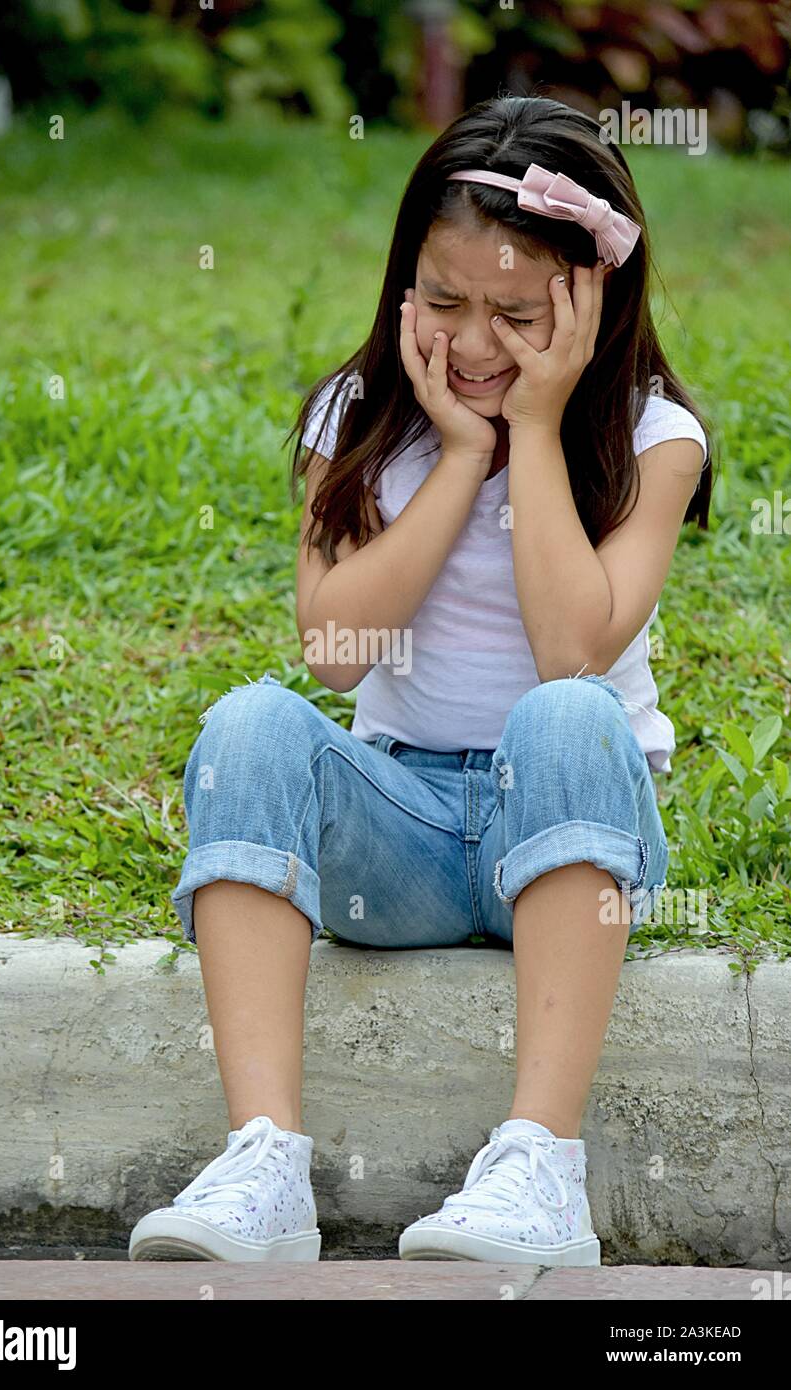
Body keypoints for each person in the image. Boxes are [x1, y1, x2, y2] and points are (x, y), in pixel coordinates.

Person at [129, 93, 712, 1266]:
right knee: (249, 723)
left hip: (560, 839)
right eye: (443, 303)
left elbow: (570, 653)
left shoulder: (652, 437)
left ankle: (539, 1165)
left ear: (589, 298)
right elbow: (335, 651)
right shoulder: (357, 418)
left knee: (562, 712)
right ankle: (262, 1163)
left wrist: (533, 432)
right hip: (396, 830)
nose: (477, 343)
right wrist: (455, 456)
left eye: (515, 312)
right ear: (402, 289)